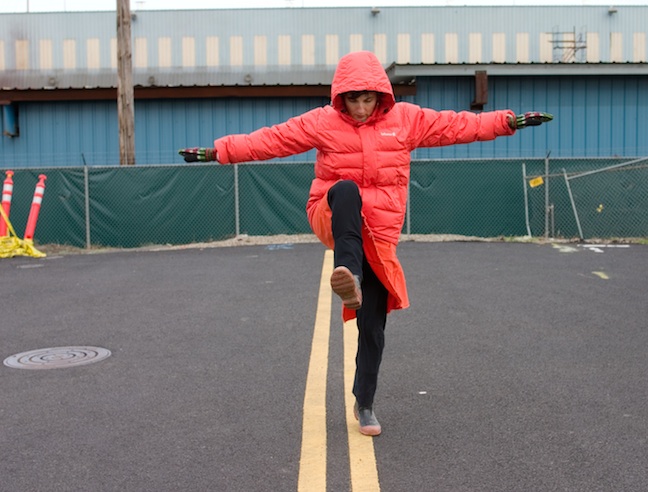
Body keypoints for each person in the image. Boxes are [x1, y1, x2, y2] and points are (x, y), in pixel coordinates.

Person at [180, 50, 553, 437]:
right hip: (332, 214)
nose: (360, 109)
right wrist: (219, 152)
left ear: (381, 96)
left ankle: (365, 403)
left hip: (379, 238)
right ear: (341, 98)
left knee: (372, 327)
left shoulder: (405, 120)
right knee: (346, 189)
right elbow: (273, 140)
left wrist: (507, 121)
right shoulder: (323, 122)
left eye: (367, 100)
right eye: (353, 100)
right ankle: (350, 274)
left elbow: (457, 125)